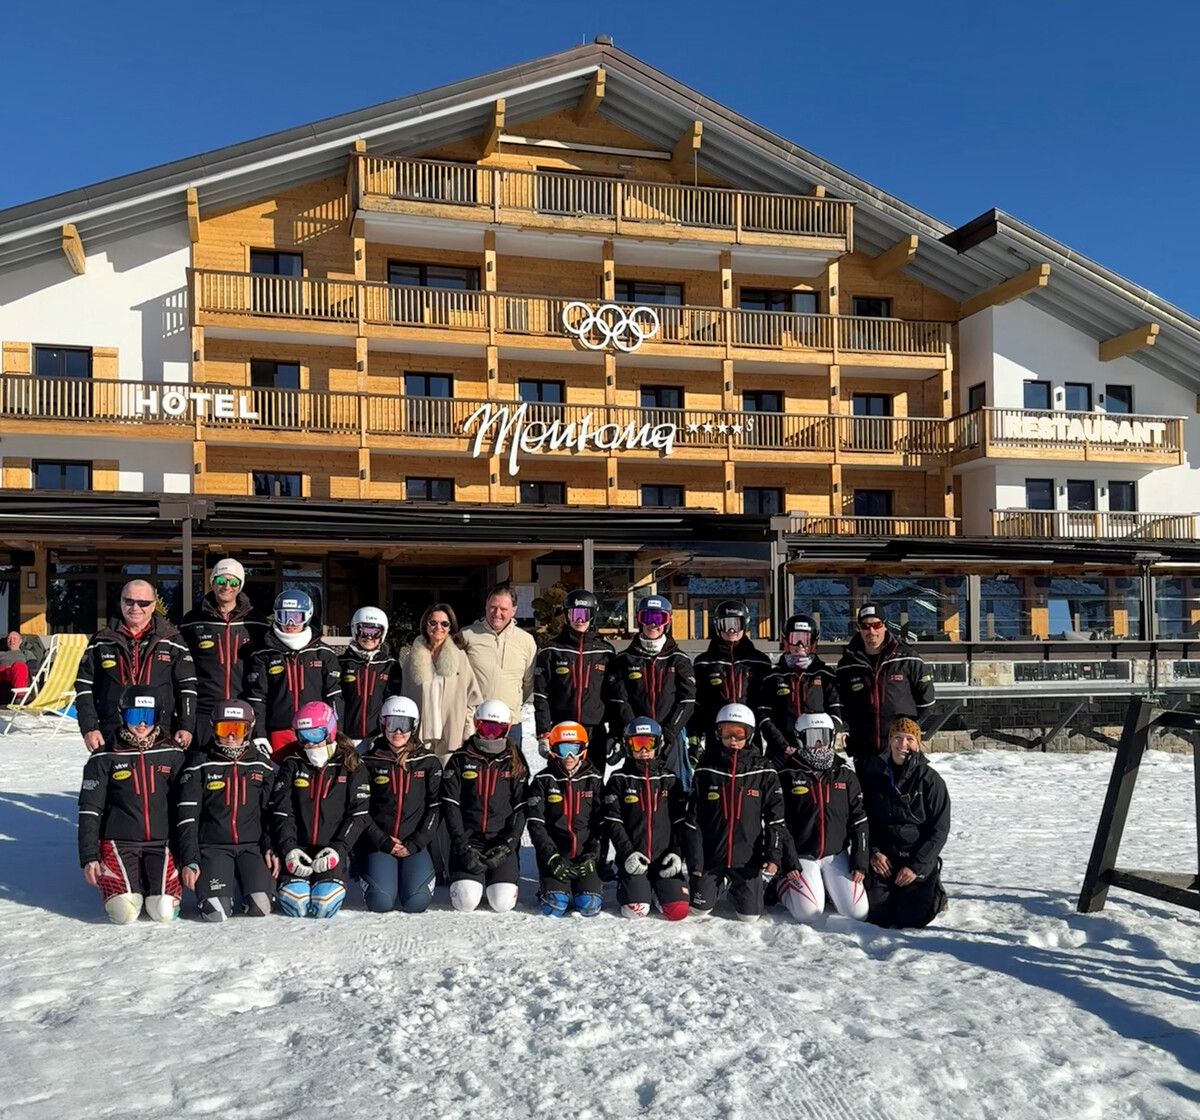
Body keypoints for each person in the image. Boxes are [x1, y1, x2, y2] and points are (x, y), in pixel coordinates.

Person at [77, 687, 186, 924]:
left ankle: (150, 884)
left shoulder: (173, 753)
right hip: (119, 842)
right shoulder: (104, 756)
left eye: (148, 716)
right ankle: (125, 884)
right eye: (134, 716)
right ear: (122, 715)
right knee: (123, 914)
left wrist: (188, 854)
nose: (141, 724)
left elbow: (186, 807)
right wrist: (89, 857)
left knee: (164, 912)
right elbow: (89, 809)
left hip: (162, 843)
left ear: (158, 716)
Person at [176, 699, 278, 922]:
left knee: (260, 907)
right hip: (213, 848)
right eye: (225, 729)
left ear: (249, 730)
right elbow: (187, 818)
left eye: (238, 729)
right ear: (214, 728)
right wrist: (190, 859)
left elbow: (271, 813)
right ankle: (223, 885)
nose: (231, 737)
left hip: (252, 847)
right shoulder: (199, 765)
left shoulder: (263, 766)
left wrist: (271, 847)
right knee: (216, 913)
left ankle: (246, 882)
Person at [684, 703, 784, 922]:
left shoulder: (763, 769)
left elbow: (776, 818)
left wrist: (773, 856)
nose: (733, 740)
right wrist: (696, 862)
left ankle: (739, 888)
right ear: (718, 732)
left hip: (747, 859)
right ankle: (717, 884)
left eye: (739, 733)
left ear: (749, 734)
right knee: (698, 910)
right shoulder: (707, 767)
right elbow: (693, 820)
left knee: (749, 917)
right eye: (727, 733)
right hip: (712, 857)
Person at [269, 701, 368, 920]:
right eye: (303, 737)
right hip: (299, 848)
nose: (309, 744)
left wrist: (338, 850)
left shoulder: (350, 764)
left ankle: (329, 875)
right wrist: (289, 850)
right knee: (297, 905)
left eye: (315, 735)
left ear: (330, 731)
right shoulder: (292, 763)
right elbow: (282, 811)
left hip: (331, 848)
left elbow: (358, 813)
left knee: (324, 906)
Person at [75, 579, 198, 753]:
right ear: (121, 602)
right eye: (129, 601)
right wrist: (89, 727)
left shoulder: (172, 640)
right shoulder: (102, 641)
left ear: (154, 605)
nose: (135, 608)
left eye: (143, 603)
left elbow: (187, 688)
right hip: (113, 734)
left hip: (160, 733)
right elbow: (84, 686)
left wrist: (186, 725)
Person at [775, 712, 869, 924]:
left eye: (823, 737)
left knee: (857, 913)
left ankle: (826, 887)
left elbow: (859, 819)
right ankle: (781, 884)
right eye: (812, 737)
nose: (818, 744)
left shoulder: (844, 774)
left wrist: (860, 860)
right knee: (808, 913)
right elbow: (779, 823)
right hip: (802, 855)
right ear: (800, 738)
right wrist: (789, 861)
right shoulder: (788, 775)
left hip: (836, 854)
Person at [861, 717, 950, 929]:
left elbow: (940, 829)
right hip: (884, 858)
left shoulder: (930, 780)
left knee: (910, 919)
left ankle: (934, 890)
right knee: (876, 915)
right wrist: (873, 852)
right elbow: (863, 821)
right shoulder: (874, 775)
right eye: (898, 738)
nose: (903, 744)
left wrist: (915, 866)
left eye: (910, 739)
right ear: (889, 741)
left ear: (917, 744)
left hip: (916, 857)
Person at [441, 699, 528, 914]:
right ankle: (472, 879)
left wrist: (509, 844)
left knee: (502, 903)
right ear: (476, 725)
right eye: (485, 728)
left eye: (496, 729)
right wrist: (462, 845)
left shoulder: (514, 760)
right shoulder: (460, 759)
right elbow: (451, 805)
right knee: (466, 902)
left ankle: (496, 877)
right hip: (469, 842)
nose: (490, 734)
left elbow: (521, 807)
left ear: (506, 729)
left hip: (500, 842)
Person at [357, 695, 441, 914]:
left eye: (404, 725)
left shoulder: (427, 762)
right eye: (392, 724)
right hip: (381, 842)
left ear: (414, 726)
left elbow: (435, 807)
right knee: (380, 902)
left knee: (417, 901)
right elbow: (361, 809)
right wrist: (382, 840)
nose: (398, 732)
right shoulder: (369, 761)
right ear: (383, 724)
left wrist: (416, 842)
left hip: (413, 842)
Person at [603, 717, 690, 921]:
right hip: (634, 858)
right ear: (627, 745)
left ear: (658, 744)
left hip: (664, 860)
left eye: (648, 743)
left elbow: (680, 821)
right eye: (636, 743)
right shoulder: (619, 780)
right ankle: (638, 887)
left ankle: (660, 890)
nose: (643, 750)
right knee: (635, 910)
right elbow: (613, 821)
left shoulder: (670, 780)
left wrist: (677, 853)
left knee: (678, 912)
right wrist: (627, 854)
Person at [606, 595, 696, 788]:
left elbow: (687, 700)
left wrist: (670, 732)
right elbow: (619, 700)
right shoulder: (625, 660)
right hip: (638, 738)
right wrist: (631, 730)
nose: (653, 624)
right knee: (637, 786)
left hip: (670, 736)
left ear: (668, 622)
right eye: (647, 618)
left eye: (659, 619)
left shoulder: (679, 660)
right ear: (639, 620)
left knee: (674, 787)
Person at [179, 558, 269, 749]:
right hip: (205, 710)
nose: (227, 586)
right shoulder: (192, 621)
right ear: (212, 582)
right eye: (221, 581)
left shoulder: (256, 622)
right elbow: (184, 667)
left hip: (244, 709)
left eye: (234, 582)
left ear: (240, 585)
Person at [243, 590, 342, 760]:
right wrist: (259, 733)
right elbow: (257, 697)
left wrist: (336, 730)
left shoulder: (322, 653)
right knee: (282, 778)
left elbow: (334, 695)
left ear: (307, 616)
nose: (290, 623)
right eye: (284, 616)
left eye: (297, 617)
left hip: (317, 731)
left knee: (313, 777)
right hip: (279, 730)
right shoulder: (263, 654)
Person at [836, 604, 935, 772]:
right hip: (865, 752)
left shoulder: (908, 657)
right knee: (869, 798)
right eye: (865, 626)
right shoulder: (847, 664)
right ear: (859, 628)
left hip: (901, 752)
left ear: (885, 625)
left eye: (876, 625)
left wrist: (907, 731)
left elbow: (926, 702)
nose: (871, 631)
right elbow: (841, 704)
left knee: (903, 797)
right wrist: (857, 730)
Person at [527, 722, 606, 918]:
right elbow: (536, 824)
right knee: (554, 907)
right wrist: (551, 858)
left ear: (583, 749)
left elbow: (601, 823)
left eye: (574, 749)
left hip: (584, 855)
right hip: (555, 856)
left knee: (589, 906)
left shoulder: (594, 779)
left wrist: (592, 855)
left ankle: (586, 884)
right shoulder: (543, 780)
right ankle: (550, 886)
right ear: (553, 749)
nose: (569, 757)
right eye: (563, 749)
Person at [533, 589, 615, 771]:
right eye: (575, 614)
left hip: (594, 731)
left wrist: (615, 734)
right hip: (562, 728)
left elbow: (614, 696)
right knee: (561, 783)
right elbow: (541, 694)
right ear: (567, 615)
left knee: (593, 783)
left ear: (593, 616)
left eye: (584, 614)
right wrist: (543, 732)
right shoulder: (552, 650)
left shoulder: (605, 652)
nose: (579, 620)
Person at [690, 599, 770, 764]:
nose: (731, 630)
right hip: (717, 731)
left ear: (745, 625)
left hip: (748, 730)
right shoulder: (704, 662)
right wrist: (695, 734)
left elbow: (766, 699)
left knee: (749, 773)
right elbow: (698, 701)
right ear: (717, 626)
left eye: (736, 624)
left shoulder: (759, 661)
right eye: (726, 624)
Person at [755, 614, 843, 764]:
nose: (800, 645)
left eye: (806, 639)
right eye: (795, 639)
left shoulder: (825, 675)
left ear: (814, 644)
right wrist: (784, 746)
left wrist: (822, 743)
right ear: (786, 642)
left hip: (817, 750)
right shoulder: (773, 677)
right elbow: (764, 717)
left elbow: (837, 712)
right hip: (781, 753)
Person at [400, 603, 481, 764]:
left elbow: (471, 700)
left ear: (451, 627)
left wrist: (467, 733)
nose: (439, 627)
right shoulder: (411, 659)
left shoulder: (460, 658)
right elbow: (404, 697)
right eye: (433, 622)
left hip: (451, 736)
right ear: (425, 624)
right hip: (419, 738)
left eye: (444, 623)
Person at [462, 583, 537, 744]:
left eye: (503, 609)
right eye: (492, 607)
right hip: (475, 723)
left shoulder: (526, 641)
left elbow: (528, 683)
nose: (497, 613)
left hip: (510, 724)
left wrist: (511, 705)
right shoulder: (467, 636)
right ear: (485, 607)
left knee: (511, 768)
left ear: (514, 610)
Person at [339, 606, 404, 743]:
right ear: (355, 631)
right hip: (347, 734)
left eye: (375, 632)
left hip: (377, 735)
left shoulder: (390, 665)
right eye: (364, 631)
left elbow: (392, 700)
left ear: (383, 633)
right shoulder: (343, 663)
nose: (369, 637)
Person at [0, 632, 31, 701]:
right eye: (9, 639)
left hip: (16, 672)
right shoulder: (1, 653)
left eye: (14, 638)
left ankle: (19, 697)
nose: (11, 641)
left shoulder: (26, 653)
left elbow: (33, 664)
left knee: (20, 666)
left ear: (20, 641)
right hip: (2, 672)